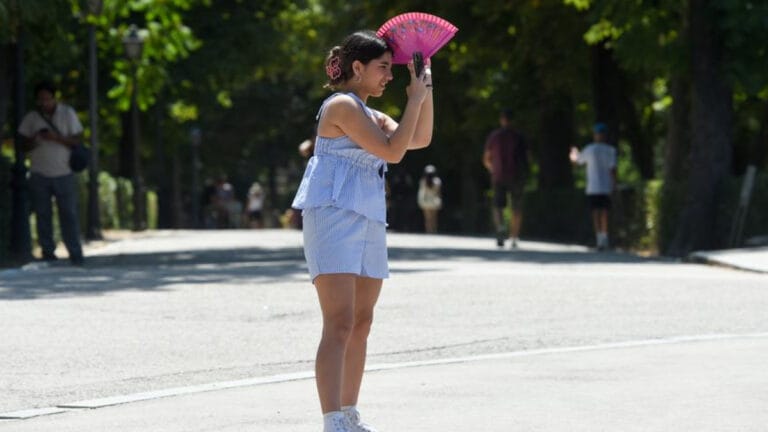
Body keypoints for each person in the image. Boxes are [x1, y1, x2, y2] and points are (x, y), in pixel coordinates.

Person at [291, 30, 433, 432]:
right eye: (383, 67)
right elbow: (392, 151)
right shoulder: (341, 106)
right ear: (358, 67)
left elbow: (419, 138)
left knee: (362, 321)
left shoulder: (373, 115)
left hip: (368, 216)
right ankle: (332, 420)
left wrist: (426, 87)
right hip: (333, 215)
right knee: (339, 321)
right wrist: (414, 101)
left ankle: (349, 413)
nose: (389, 75)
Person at [18, 81, 85, 266]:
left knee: (69, 214)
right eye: (41, 99)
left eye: (47, 99)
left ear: (54, 98)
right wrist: (35, 139)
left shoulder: (67, 113)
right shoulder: (32, 118)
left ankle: (75, 252)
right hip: (39, 172)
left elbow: (77, 140)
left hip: (64, 171)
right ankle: (48, 252)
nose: (44, 103)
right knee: (42, 215)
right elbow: (22, 144)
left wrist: (56, 138)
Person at [483, 108, 529, 248]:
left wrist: (493, 170)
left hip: (498, 175)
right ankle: (514, 237)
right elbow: (527, 157)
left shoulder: (494, 136)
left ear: (502, 120)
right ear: (513, 120)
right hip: (516, 176)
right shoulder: (519, 137)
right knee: (516, 207)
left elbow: (486, 158)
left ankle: (500, 228)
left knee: (498, 207)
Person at [570, 122, 617, 250]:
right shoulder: (611, 150)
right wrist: (614, 185)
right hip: (605, 187)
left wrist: (573, 153)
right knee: (604, 213)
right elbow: (613, 169)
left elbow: (577, 161)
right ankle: (604, 239)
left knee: (596, 213)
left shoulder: (590, 149)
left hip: (594, 187)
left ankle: (600, 239)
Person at [417, 164, 442, 233]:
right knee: (434, 218)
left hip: (426, 201)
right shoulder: (437, 181)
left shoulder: (423, 181)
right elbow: (438, 193)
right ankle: (434, 231)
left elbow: (421, 192)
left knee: (427, 218)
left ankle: (428, 231)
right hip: (434, 201)